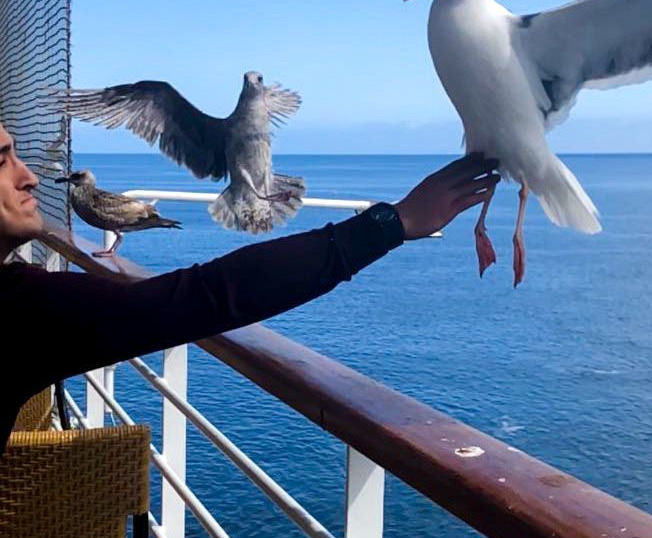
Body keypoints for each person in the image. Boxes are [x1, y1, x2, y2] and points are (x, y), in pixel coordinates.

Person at [0, 122, 499, 452]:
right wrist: (392, 223)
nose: (28, 178)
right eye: (2, 160)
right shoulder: (19, 309)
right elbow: (205, 296)